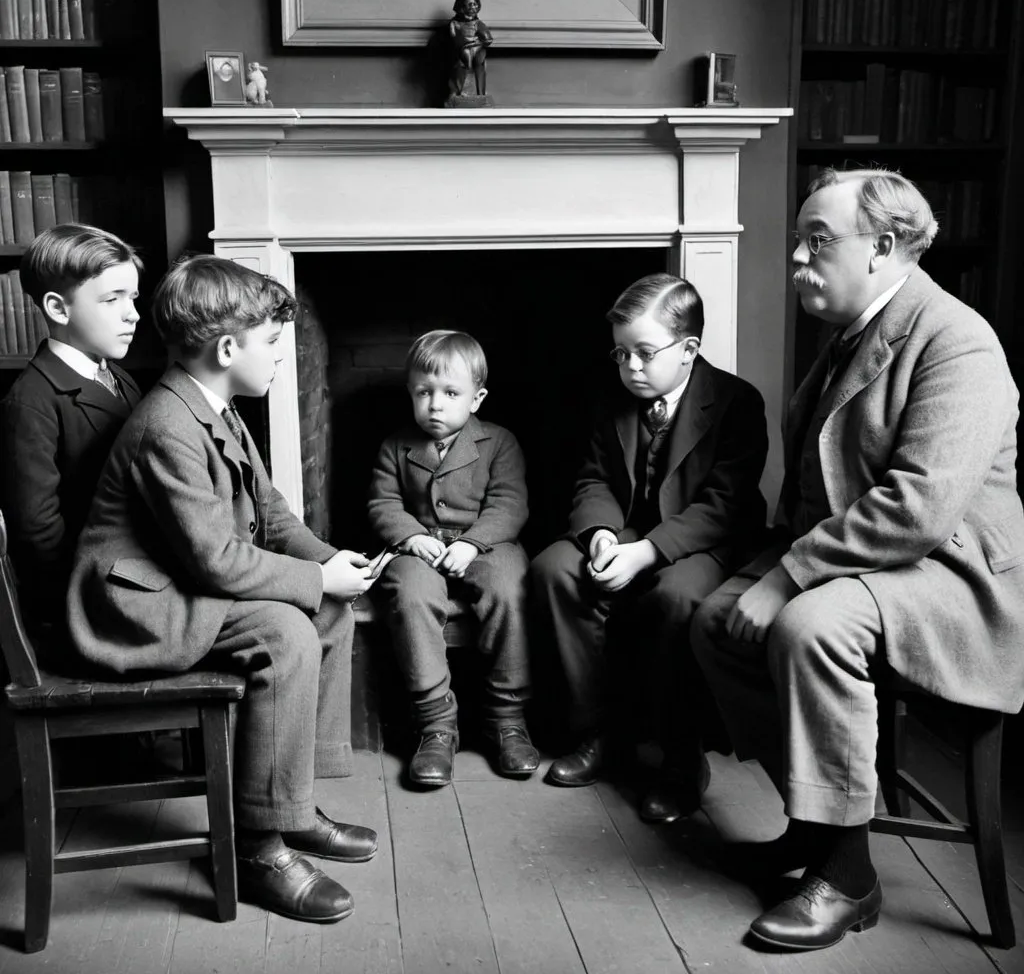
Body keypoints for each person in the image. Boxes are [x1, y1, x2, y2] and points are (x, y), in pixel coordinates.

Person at [690, 167, 1024, 952]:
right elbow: (820, 488)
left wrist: (783, 575)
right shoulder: (851, 334)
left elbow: (918, 508)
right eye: (801, 240)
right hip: (871, 559)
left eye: (818, 241)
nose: (799, 258)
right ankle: (816, 828)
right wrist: (763, 567)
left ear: (881, 247)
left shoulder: (957, 338)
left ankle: (847, 875)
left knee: (808, 627)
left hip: (949, 574)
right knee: (714, 621)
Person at [67, 255, 379, 925]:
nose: (279, 359)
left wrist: (332, 566)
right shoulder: (168, 425)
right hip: (138, 605)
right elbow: (217, 563)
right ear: (227, 348)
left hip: (185, 584)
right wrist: (315, 579)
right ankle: (259, 848)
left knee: (327, 609)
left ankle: (291, 806)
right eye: (272, 344)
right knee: (287, 627)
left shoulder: (218, 408)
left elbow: (270, 513)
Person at [530, 274, 768, 821]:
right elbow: (592, 480)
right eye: (620, 354)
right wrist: (601, 535)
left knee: (677, 599)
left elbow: (723, 507)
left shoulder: (736, 402)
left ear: (688, 350)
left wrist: (649, 552)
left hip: (702, 542)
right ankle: (598, 732)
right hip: (627, 531)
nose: (629, 367)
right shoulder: (610, 398)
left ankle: (682, 758)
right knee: (553, 569)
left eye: (643, 353)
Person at [368, 329, 537, 787]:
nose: (435, 405)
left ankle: (507, 718)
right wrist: (410, 536)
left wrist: (472, 543)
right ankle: (436, 724)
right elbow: (383, 504)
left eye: (450, 393)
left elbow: (508, 504)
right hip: (419, 545)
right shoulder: (396, 446)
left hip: (485, 543)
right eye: (424, 393)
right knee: (409, 590)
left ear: (477, 398)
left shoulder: (499, 442)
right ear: (411, 393)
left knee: (510, 585)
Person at [0, 224, 143, 661]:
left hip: (134, 573)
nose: (132, 314)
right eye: (111, 299)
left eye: (132, 297)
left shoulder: (120, 379)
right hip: (87, 606)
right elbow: (39, 536)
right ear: (59, 309)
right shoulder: (31, 402)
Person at [447, 0, 492, 100]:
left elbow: (487, 38)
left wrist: (482, 39)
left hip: (477, 47)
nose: (473, 7)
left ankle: (480, 94)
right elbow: (454, 38)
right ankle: (458, 93)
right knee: (463, 60)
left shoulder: (477, 23)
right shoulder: (455, 23)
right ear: (462, 7)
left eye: (475, 4)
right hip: (462, 49)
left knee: (479, 62)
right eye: (469, 4)